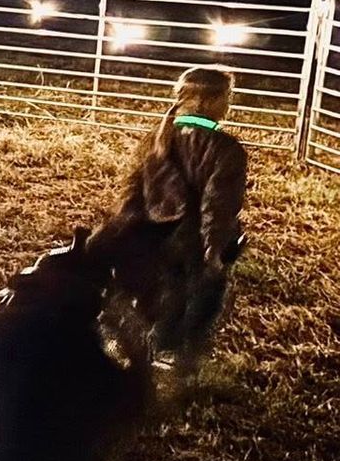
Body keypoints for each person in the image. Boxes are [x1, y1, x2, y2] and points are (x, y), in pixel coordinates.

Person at [94, 66, 248, 370]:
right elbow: (218, 203)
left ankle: (136, 343)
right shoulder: (226, 149)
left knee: (158, 288)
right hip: (192, 238)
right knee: (202, 293)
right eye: (227, 97)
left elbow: (133, 186)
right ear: (210, 100)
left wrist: (126, 224)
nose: (229, 104)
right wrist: (214, 249)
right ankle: (175, 353)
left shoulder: (157, 136)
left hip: (152, 228)